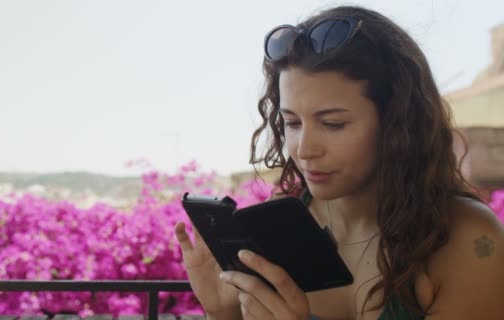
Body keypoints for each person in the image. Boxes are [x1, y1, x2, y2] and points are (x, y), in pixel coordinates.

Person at [174, 5, 504, 320]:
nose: (303, 150)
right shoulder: (286, 223)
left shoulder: (464, 238)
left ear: (397, 122)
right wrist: (222, 312)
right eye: (292, 122)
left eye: (333, 124)